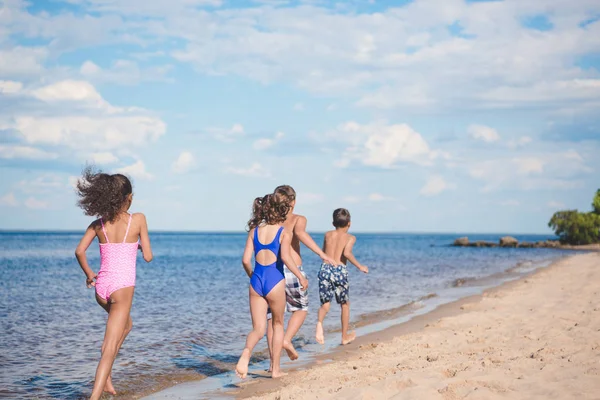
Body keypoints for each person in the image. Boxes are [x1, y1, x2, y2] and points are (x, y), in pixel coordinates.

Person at [74, 167, 153, 400]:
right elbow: (148, 256)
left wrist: (89, 274)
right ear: (128, 198)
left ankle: (106, 376)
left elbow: (79, 251)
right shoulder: (138, 219)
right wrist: (138, 246)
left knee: (126, 326)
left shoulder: (98, 224)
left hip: (102, 289)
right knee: (109, 348)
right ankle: (95, 396)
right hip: (122, 289)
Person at [236, 193, 308, 379]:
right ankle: (275, 370)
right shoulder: (284, 232)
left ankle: (246, 353)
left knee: (258, 329)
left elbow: (245, 260)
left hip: (256, 281)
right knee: (277, 324)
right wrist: (300, 276)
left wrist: (252, 277)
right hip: (275, 281)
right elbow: (285, 257)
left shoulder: (254, 232)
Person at [266, 185, 336, 364]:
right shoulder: (298, 219)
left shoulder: (270, 221)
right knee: (301, 309)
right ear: (294, 202)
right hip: (292, 270)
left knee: (273, 318)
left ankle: (273, 363)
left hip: (271, 272)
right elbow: (301, 234)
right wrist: (323, 254)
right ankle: (286, 339)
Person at [315, 208, 368, 346]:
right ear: (349, 224)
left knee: (325, 304)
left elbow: (323, 252)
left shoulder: (328, 234)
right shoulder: (350, 237)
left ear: (333, 222)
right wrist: (360, 266)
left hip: (325, 269)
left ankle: (319, 324)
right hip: (340, 271)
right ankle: (344, 337)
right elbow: (347, 253)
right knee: (344, 304)